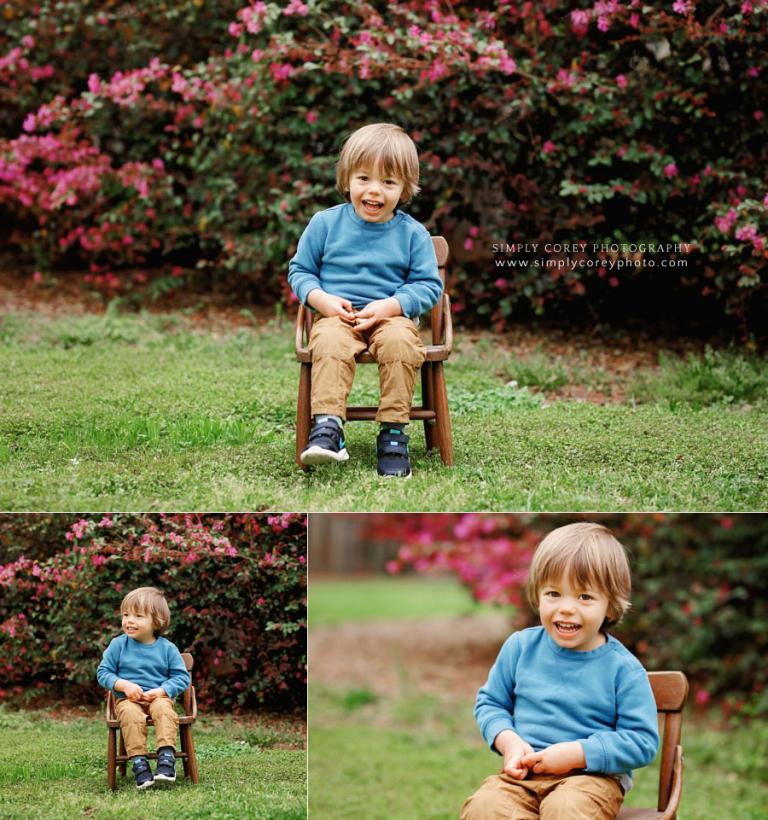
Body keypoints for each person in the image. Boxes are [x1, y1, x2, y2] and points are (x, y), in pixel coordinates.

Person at [461, 522, 659, 819]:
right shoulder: (520, 648)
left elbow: (642, 741)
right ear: (538, 594)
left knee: (566, 809)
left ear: (610, 606)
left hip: (590, 780)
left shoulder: (623, 669)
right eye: (554, 593)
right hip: (523, 778)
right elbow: (491, 704)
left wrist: (578, 753)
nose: (566, 608)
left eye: (584, 597)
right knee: (484, 807)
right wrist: (509, 741)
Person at [288, 122, 443, 478]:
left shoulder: (413, 234)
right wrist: (322, 300)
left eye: (388, 182)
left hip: (391, 317)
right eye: (364, 179)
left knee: (403, 342)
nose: (374, 191)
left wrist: (390, 306)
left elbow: (428, 286)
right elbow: (300, 272)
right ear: (347, 179)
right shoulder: (325, 224)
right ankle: (328, 428)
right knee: (326, 342)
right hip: (337, 316)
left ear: (405, 188)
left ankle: (393, 433)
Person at [97, 586, 190, 790]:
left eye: (138, 616)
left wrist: (161, 691)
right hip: (127, 700)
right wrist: (124, 685)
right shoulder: (118, 645)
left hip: (158, 698)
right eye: (126, 615)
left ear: (157, 622)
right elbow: (103, 673)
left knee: (164, 710)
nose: (129, 620)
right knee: (130, 714)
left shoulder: (167, 648)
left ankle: (166, 757)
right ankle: (139, 762)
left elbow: (181, 677)